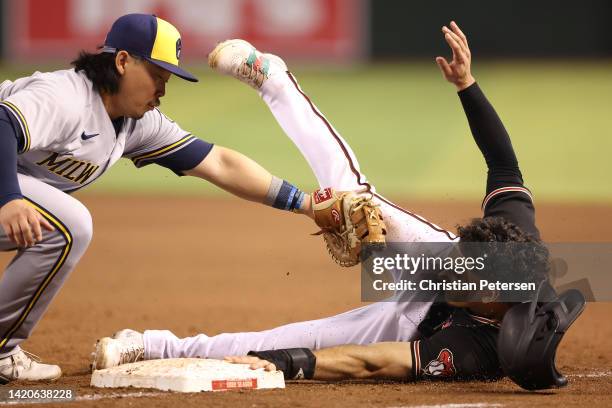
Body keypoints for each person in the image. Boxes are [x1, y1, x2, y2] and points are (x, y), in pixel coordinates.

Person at [93, 21, 559, 384]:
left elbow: (372, 362)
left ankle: (151, 345)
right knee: (356, 201)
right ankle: (273, 80)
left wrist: (286, 362)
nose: (455, 270)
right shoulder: (509, 238)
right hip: (435, 267)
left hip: (412, 324)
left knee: (283, 344)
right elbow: (503, 164)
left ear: (495, 296)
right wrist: (467, 85)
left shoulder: (478, 349)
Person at [0, 13, 318, 384]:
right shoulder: (66, 96)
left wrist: (305, 203)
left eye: (167, 80)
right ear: (122, 61)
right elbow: (4, 123)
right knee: (69, 225)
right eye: (157, 76)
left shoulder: (136, 123)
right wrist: (9, 197)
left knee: (55, 223)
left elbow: (219, 162)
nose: (162, 91)